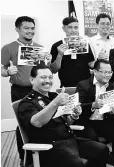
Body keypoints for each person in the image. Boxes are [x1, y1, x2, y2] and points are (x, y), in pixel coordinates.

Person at [18, 64, 109, 167]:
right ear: (32, 79)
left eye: (50, 77)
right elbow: (36, 122)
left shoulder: (53, 96)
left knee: (102, 150)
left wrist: (73, 116)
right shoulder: (27, 102)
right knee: (76, 164)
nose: (48, 80)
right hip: (48, 147)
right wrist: (55, 103)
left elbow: (66, 122)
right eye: (43, 77)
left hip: (69, 140)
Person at [1, 16, 51, 163]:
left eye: (32, 28)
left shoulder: (39, 47)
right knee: (23, 125)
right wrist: (8, 72)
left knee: (40, 120)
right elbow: (2, 70)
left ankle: (42, 155)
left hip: (39, 90)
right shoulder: (8, 48)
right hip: (20, 90)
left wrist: (47, 60)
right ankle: (25, 158)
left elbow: (43, 70)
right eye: (26, 28)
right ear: (17, 29)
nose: (30, 31)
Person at [76, 59, 114, 167]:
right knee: (95, 142)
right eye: (104, 72)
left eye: (110, 72)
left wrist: (113, 112)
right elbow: (77, 107)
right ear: (95, 71)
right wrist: (92, 105)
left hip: (105, 121)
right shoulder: (83, 85)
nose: (107, 75)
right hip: (87, 122)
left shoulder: (113, 87)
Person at [50, 17, 95, 87]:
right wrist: (60, 54)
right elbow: (54, 70)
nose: (73, 30)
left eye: (76, 27)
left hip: (86, 86)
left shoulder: (85, 44)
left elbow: (91, 65)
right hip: (66, 86)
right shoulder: (57, 46)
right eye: (70, 27)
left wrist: (99, 59)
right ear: (63, 28)